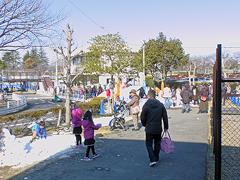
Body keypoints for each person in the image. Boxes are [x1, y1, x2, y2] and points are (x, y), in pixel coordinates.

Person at [141, 89, 169, 167]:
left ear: (148, 95)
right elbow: (165, 117)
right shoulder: (160, 104)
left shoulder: (146, 105)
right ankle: (156, 157)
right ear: (155, 95)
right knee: (157, 143)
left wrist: (144, 124)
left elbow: (142, 116)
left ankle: (152, 158)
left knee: (148, 143)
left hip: (149, 127)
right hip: (158, 127)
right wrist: (166, 126)